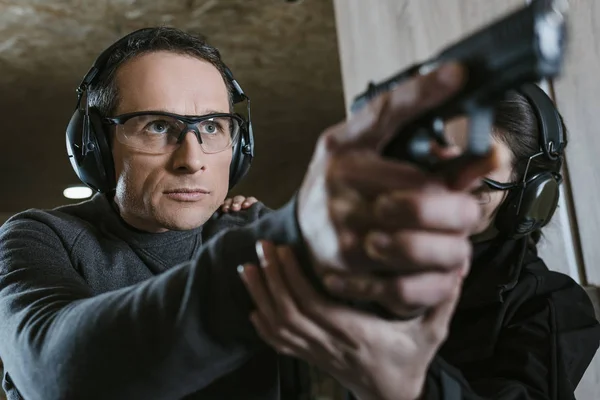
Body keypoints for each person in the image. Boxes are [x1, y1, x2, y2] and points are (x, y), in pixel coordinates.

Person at [0, 26, 506, 400]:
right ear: (93, 146)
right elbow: (56, 374)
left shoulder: (252, 229)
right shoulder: (38, 237)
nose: (192, 157)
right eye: (157, 126)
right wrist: (290, 240)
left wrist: (407, 388)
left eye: (213, 127)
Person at [235, 85, 600, 399]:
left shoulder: (548, 308)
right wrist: (262, 230)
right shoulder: (376, 262)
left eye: (476, 184)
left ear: (528, 199)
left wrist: (413, 387)